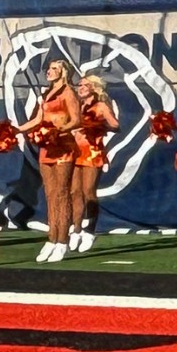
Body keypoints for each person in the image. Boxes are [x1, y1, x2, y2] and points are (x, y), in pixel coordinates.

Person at [18, 61, 84, 263]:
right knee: (50, 194)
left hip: (63, 145)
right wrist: (15, 130)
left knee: (62, 193)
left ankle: (63, 241)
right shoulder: (46, 93)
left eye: (54, 68)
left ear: (63, 71)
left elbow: (76, 120)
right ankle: (52, 238)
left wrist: (57, 130)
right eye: (48, 67)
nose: (49, 70)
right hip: (47, 146)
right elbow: (38, 119)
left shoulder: (68, 93)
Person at [71, 74, 118, 251]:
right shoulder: (76, 105)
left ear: (94, 88)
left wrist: (97, 126)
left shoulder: (101, 105)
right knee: (74, 191)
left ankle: (89, 230)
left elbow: (115, 125)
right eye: (80, 84)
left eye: (85, 85)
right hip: (75, 151)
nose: (81, 87)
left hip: (92, 151)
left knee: (88, 191)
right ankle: (76, 229)